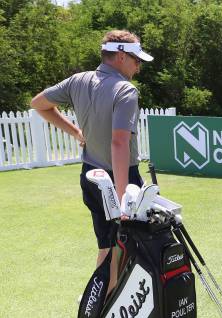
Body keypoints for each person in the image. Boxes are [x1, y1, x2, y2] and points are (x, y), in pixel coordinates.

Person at [30, 30, 153, 293]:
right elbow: (119, 144)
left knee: (107, 246)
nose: (138, 66)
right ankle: (108, 313)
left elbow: (38, 103)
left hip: (91, 176)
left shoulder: (78, 80)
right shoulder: (125, 90)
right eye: (136, 60)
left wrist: (76, 132)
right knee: (126, 248)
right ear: (120, 56)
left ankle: (95, 305)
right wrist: (123, 200)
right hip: (122, 180)